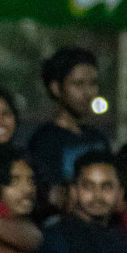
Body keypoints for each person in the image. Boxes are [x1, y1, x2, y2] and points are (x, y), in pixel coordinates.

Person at [27, 47, 111, 221]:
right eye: (78, 84)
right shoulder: (44, 141)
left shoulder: (98, 138)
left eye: (93, 84)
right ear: (56, 88)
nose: (88, 93)